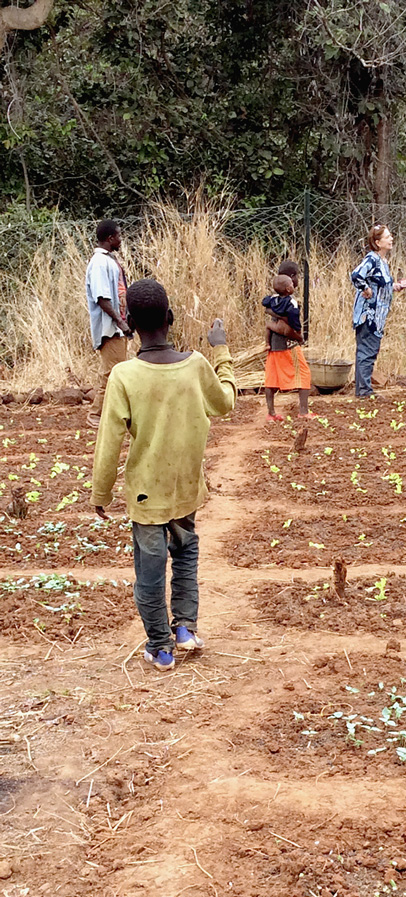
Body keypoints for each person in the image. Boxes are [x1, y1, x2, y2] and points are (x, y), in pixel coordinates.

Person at [91, 279, 236, 670]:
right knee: (186, 555)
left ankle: (160, 646)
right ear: (170, 319)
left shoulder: (124, 375)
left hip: (145, 495)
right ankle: (185, 627)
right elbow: (225, 402)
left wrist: (100, 494)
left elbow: (109, 442)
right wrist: (220, 349)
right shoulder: (197, 366)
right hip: (185, 488)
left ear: (130, 323)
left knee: (150, 573)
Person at [349, 225, 406, 398]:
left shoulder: (381, 262)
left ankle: (364, 389)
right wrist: (365, 288)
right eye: (387, 237)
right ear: (377, 242)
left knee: (369, 351)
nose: (391, 239)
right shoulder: (372, 259)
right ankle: (364, 392)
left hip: (377, 316)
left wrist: (394, 286)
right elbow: (356, 275)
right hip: (368, 315)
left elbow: (379, 284)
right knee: (366, 351)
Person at [85, 219, 131, 428]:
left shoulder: (108, 260)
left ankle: (116, 413)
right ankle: (96, 415)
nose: (121, 239)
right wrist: (119, 322)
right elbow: (102, 297)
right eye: (119, 236)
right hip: (110, 327)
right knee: (112, 373)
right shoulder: (99, 262)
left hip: (116, 326)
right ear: (110, 238)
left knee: (117, 372)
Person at [262, 269, 313, 422]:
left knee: (271, 378)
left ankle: (271, 413)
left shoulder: (273, 299)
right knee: (304, 373)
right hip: (288, 344)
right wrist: (298, 333)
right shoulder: (291, 302)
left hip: (274, 344)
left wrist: (275, 314)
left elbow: (266, 306)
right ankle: (303, 411)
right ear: (289, 288)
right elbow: (294, 318)